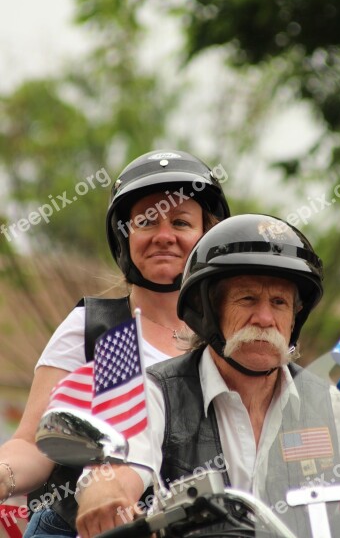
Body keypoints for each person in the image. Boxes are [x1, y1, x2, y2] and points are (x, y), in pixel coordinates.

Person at [75, 213, 340, 538]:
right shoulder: (156, 392)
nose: (264, 317)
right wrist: (108, 495)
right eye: (247, 299)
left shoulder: (333, 406)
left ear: (293, 319)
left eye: (279, 302)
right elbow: (117, 467)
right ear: (209, 310)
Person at [0, 149, 230, 537]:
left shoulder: (227, 339)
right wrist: (3, 475)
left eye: (181, 222)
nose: (164, 236)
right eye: (146, 222)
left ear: (207, 235)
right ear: (125, 236)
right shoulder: (95, 328)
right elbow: (33, 443)